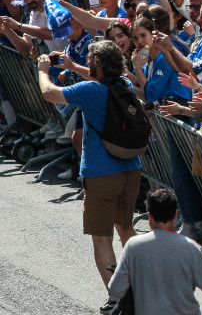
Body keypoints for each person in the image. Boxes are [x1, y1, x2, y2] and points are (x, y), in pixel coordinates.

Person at [36, 40, 142, 313]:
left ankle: (118, 299)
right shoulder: (125, 86)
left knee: (102, 238)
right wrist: (73, 67)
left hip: (101, 174)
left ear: (97, 62)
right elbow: (101, 81)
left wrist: (42, 69)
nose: (87, 61)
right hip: (130, 169)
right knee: (126, 228)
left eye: (89, 58)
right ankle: (141, 289)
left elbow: (49, 93)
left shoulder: (90, 91)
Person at [107, 189, 202, 315]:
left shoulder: (133, 246)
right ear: (175, 215)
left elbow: (115, 289)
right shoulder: (190, 248)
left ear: (149, 216)